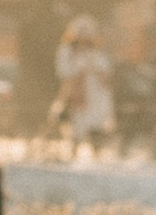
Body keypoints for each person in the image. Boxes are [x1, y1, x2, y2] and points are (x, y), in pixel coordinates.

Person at [50, 14, 117, 154]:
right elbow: (64, 72)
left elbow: (105, 71)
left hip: (96, 94)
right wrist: (79, 73)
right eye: (80, 33)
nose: (84, 38)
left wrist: (94, 71)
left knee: (97, 127)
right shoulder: (67, 52)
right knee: (77, 126)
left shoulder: (96, 53)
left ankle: (97, 153)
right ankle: (72, 152)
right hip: (77, 94)